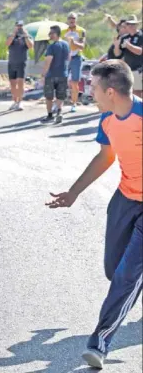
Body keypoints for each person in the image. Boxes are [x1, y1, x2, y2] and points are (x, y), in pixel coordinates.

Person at [46, 59, 142, 370]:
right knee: (114, 269)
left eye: (93, 86)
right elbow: (106, 156)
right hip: (125, 200)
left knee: (127, 277)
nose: (89, 91)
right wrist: (74, 192)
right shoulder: (108, 120)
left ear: (111, 91)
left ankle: (99, 344)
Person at [41, 25, 70, 124]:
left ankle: (50, 115)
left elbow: (48, 61)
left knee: (49, 96)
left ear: (56, 34)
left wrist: (43, 75)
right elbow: (69, 58)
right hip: (63, 74)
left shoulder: (52, 46)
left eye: (51, 33)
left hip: (51, 75)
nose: (49, 35)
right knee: (60, 96)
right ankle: (59, 112)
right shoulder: (66, 45)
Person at [6, 20, 34, 111]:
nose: (19, 27)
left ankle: (20, 102)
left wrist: (25, 36)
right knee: (13, 84)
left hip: (21, 62)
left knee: (20, 83)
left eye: (21, 26)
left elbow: (30, 46)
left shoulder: (27, 36)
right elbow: (7, 44)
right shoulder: (11, 36)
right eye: (18, 26)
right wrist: (14, 34)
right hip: (11, 62)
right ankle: (14, 101)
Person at [113, 15, 143, 97]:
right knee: (129, 91)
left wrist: (129, 46)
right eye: (129, 24)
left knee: (138, 92)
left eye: (133, 24)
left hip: (139, 69)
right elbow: (118, 54)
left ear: (137, 25)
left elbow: (140, 51)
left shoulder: (141, 36)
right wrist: (116, 46)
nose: (131, 26)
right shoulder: (124, 38)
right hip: (128, 69)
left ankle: (139, 109)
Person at [64, 12, 86, 113]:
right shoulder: (63, 31)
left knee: (74, 82)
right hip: (65, 58)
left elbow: (82, 46)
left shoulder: (81, 31)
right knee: (60, 80)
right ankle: (59, 102)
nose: (72, 20)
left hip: (76, 57)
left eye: (73, 18)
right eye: (70, 18)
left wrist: (73, 42)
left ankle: (74, 103)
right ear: (67, 20)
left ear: (76, 20)